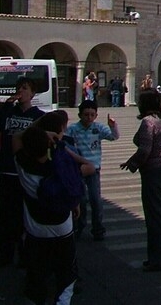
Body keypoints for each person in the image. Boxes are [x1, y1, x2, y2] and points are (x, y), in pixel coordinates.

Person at [15, 119, 83, 304]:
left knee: (37, 272)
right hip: (63, 228)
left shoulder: (22, 165)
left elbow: (17, 138)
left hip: (36, 230)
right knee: (66, 273)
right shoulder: (59, 165)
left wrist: (40, 131)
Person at [0, 76, 45, 267]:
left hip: (25, 172)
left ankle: (25, 254)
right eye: (19, 88)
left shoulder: (38, 115)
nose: (21, 92)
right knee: (5, 216)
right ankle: (5, 254)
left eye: (25, 88)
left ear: (33, 93)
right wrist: (6, 106)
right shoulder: (9, 112)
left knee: (24, 216)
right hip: (7, 171)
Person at [120, 89, 161, 271]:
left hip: (156, 170)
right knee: (159, 213)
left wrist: (133, 163)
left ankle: (160, 259)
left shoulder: (148, 122)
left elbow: (145, 149)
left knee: (155, 216)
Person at [66, 99, 120, 240]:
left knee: (95, 199)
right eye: (86, 115)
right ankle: (79, 225)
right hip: (79, 169)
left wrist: (113, 126)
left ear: (96, 115)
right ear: (80, 115)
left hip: (94, 168)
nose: (89, 118)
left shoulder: (98, 128)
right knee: (81, 200)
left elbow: (114, 137)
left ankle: (98, 228)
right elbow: (65, 144)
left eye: (92, 115)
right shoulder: (73, 129)